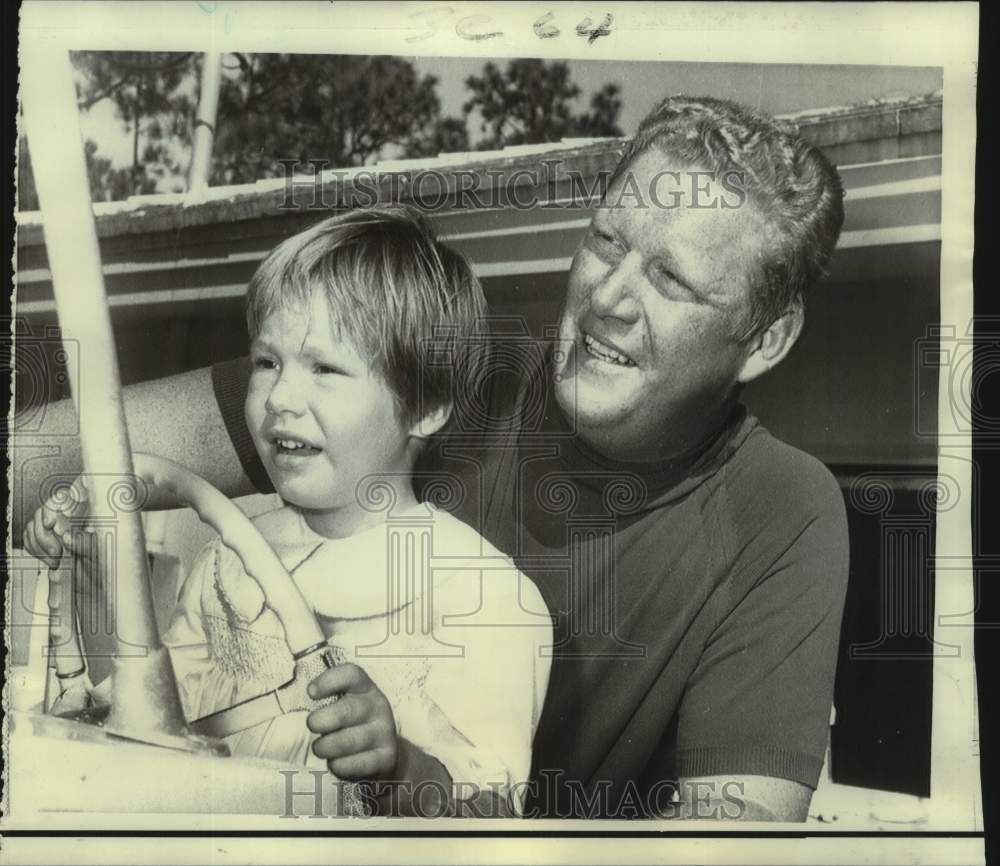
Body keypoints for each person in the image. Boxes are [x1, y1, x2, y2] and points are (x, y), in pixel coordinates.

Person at [17, 95, 848, 821]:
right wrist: (77, 520)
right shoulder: (440, 359)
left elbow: (734, 837)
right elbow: (62, 456)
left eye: (670, 279)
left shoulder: (784, 510)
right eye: (605, 240)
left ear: (764, 340)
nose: (608, 297)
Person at [24, 207, 552, 818]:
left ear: (426, 407)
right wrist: (91, 569)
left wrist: (402, 767)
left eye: (325, 368)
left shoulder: (482, 597)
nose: (279, 398)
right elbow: (148, 725)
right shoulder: (229, 557)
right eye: (266, 362)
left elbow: (490, 818)